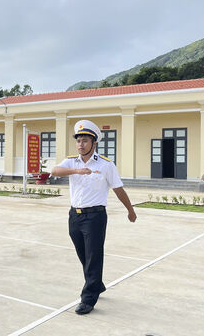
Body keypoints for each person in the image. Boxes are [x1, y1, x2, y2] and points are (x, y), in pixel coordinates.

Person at [50, 120, 137, 315]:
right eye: (78, 141)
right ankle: (96, 283)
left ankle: (88, 298)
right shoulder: (71, 162)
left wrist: (130, 210)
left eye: (85, 141)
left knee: (93, 255)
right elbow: (54, 171)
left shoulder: (106, 164)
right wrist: (77, 170)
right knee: (83, 254)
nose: (80, 144)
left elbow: (118, 189)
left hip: (95, 217)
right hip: (75, 215)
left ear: (94, 142)